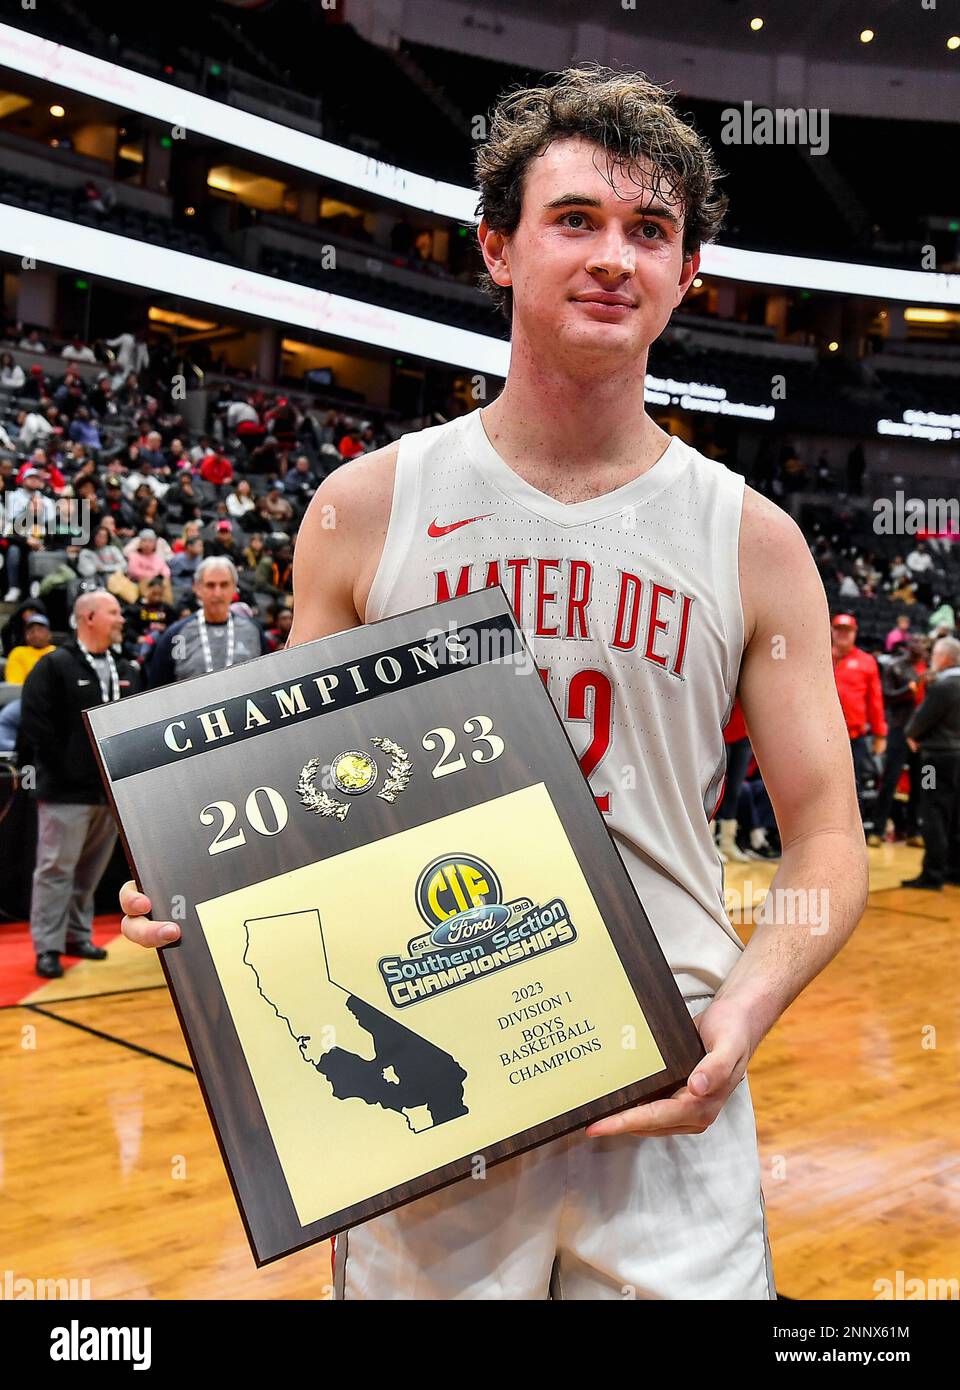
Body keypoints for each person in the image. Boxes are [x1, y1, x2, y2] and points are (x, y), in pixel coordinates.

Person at [119, 65, 867, 1301]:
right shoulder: (362, 509)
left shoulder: (756, 539)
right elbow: (291, 812)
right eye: (575, 219)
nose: (614, 256)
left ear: (689, 276)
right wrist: (193, 880)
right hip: (429, 1087)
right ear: (497, 248)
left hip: (665, 1088)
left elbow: (829, 833)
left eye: (651, 231)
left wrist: (742, 1018)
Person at [20, 591, 142, 978]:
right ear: (89, 617)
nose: (122, 618)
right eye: (114, 612)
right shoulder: (53, 666)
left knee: (88, 873)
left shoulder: (126, 666)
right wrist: (70, 769)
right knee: (56, 870)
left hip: (108, 793)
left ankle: (76, 935)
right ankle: (48, 946)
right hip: (66, 792)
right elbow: (37, 726)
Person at [145, 557, 269, 685]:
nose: (217, 593)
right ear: (197, 588)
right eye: (210, 585)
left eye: (224, 585)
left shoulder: (253, 631)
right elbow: (157, 690)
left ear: (234, 588)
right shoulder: (175, 635)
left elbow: (267, 682)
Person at [902, 636, 960, 889]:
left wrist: (910, 734)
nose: (932, 659)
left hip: (933, 760)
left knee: (931, 811)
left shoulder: (943, 686)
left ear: (946, 658)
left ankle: (932, 873)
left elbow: (920, 721)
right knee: (954, 813)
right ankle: (953, 869)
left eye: (935, 654)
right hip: (956, 757)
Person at [870, 634, 928, 847]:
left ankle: (914, 831)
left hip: (923, 735)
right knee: (890, 780)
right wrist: (908, 690)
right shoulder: (895, 667)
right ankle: (878, 829)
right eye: (916, 644)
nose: (920, 648)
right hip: (899, 730)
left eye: (923, 645)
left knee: (922, 782)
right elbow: (886, 695)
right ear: (908, 647)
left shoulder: (930, 669)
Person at [831, 613, 887, 826]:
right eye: (839, 630)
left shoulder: (867, 662)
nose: (842, 635)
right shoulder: (819, 656)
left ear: (855, 633)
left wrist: (880, 733)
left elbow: (875, 701)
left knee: (855, 787)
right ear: (832, 631)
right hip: (822, 735)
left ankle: (853, 831)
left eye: (847, 631)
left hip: (854, 736)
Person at [4, 613, 55, 684]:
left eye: (40, 630)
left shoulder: (58, 654)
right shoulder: (18, 653)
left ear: (49, 634)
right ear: (26, 635)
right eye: (31, 631)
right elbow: (15, 686)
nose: (36, 634)